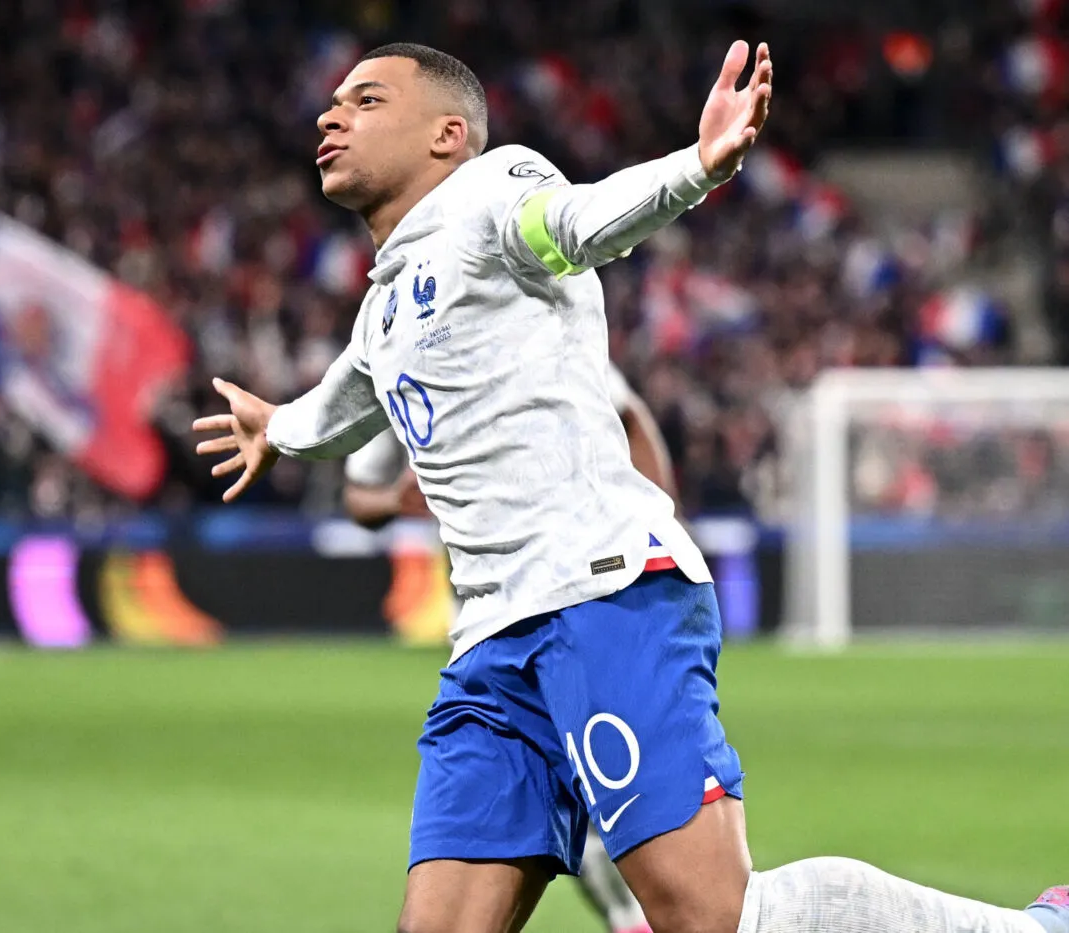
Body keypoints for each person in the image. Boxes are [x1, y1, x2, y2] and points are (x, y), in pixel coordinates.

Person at [193, 40, 1067, 933]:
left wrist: (696, 167)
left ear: (446, 135)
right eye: (333, 101)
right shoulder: (385, 305)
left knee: (712, 917)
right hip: (491, 651)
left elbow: (575, 223)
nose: (331, 115)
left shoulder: (495, 194)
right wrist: (281, 428)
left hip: (603, 595)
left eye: (367, 100)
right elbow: (349, 394)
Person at [344, 363, 669, 933]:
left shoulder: (531, 326)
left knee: (610, 795)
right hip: (482, 627)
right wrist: (399, 500)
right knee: (545, 803)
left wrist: (656, 518)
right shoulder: (393, 353)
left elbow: (631, 417)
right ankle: (631, 918)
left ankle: (639, 917)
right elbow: (359, 497)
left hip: (581, 603)